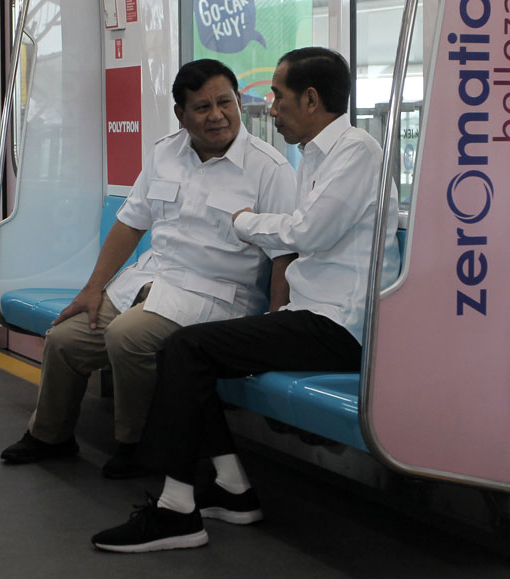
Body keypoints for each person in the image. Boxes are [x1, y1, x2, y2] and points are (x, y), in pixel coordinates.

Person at [91, 47, 401, 552]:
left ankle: (177, 511)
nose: (271, 108)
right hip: (308, 315)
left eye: (278, 96)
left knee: (186, 349)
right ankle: (233, 489)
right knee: (188, 352)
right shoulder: (317, 156)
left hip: (342, 326)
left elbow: (308, 232)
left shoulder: (357, 152)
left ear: (311, 99)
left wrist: (243, 222)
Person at [0, 59, 297, 478]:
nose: (217, 115)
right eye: (202, 107)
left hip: (215, 296)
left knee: (128, 337)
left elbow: (285, 254)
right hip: (150, 280)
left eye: (225, 103)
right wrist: (92, 288)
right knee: (64, 340)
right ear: (181, 115)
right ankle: (50, 435)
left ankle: (140, 445)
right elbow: (129, 223)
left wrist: (276, 324)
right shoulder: (165, 153)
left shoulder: (269, 169)